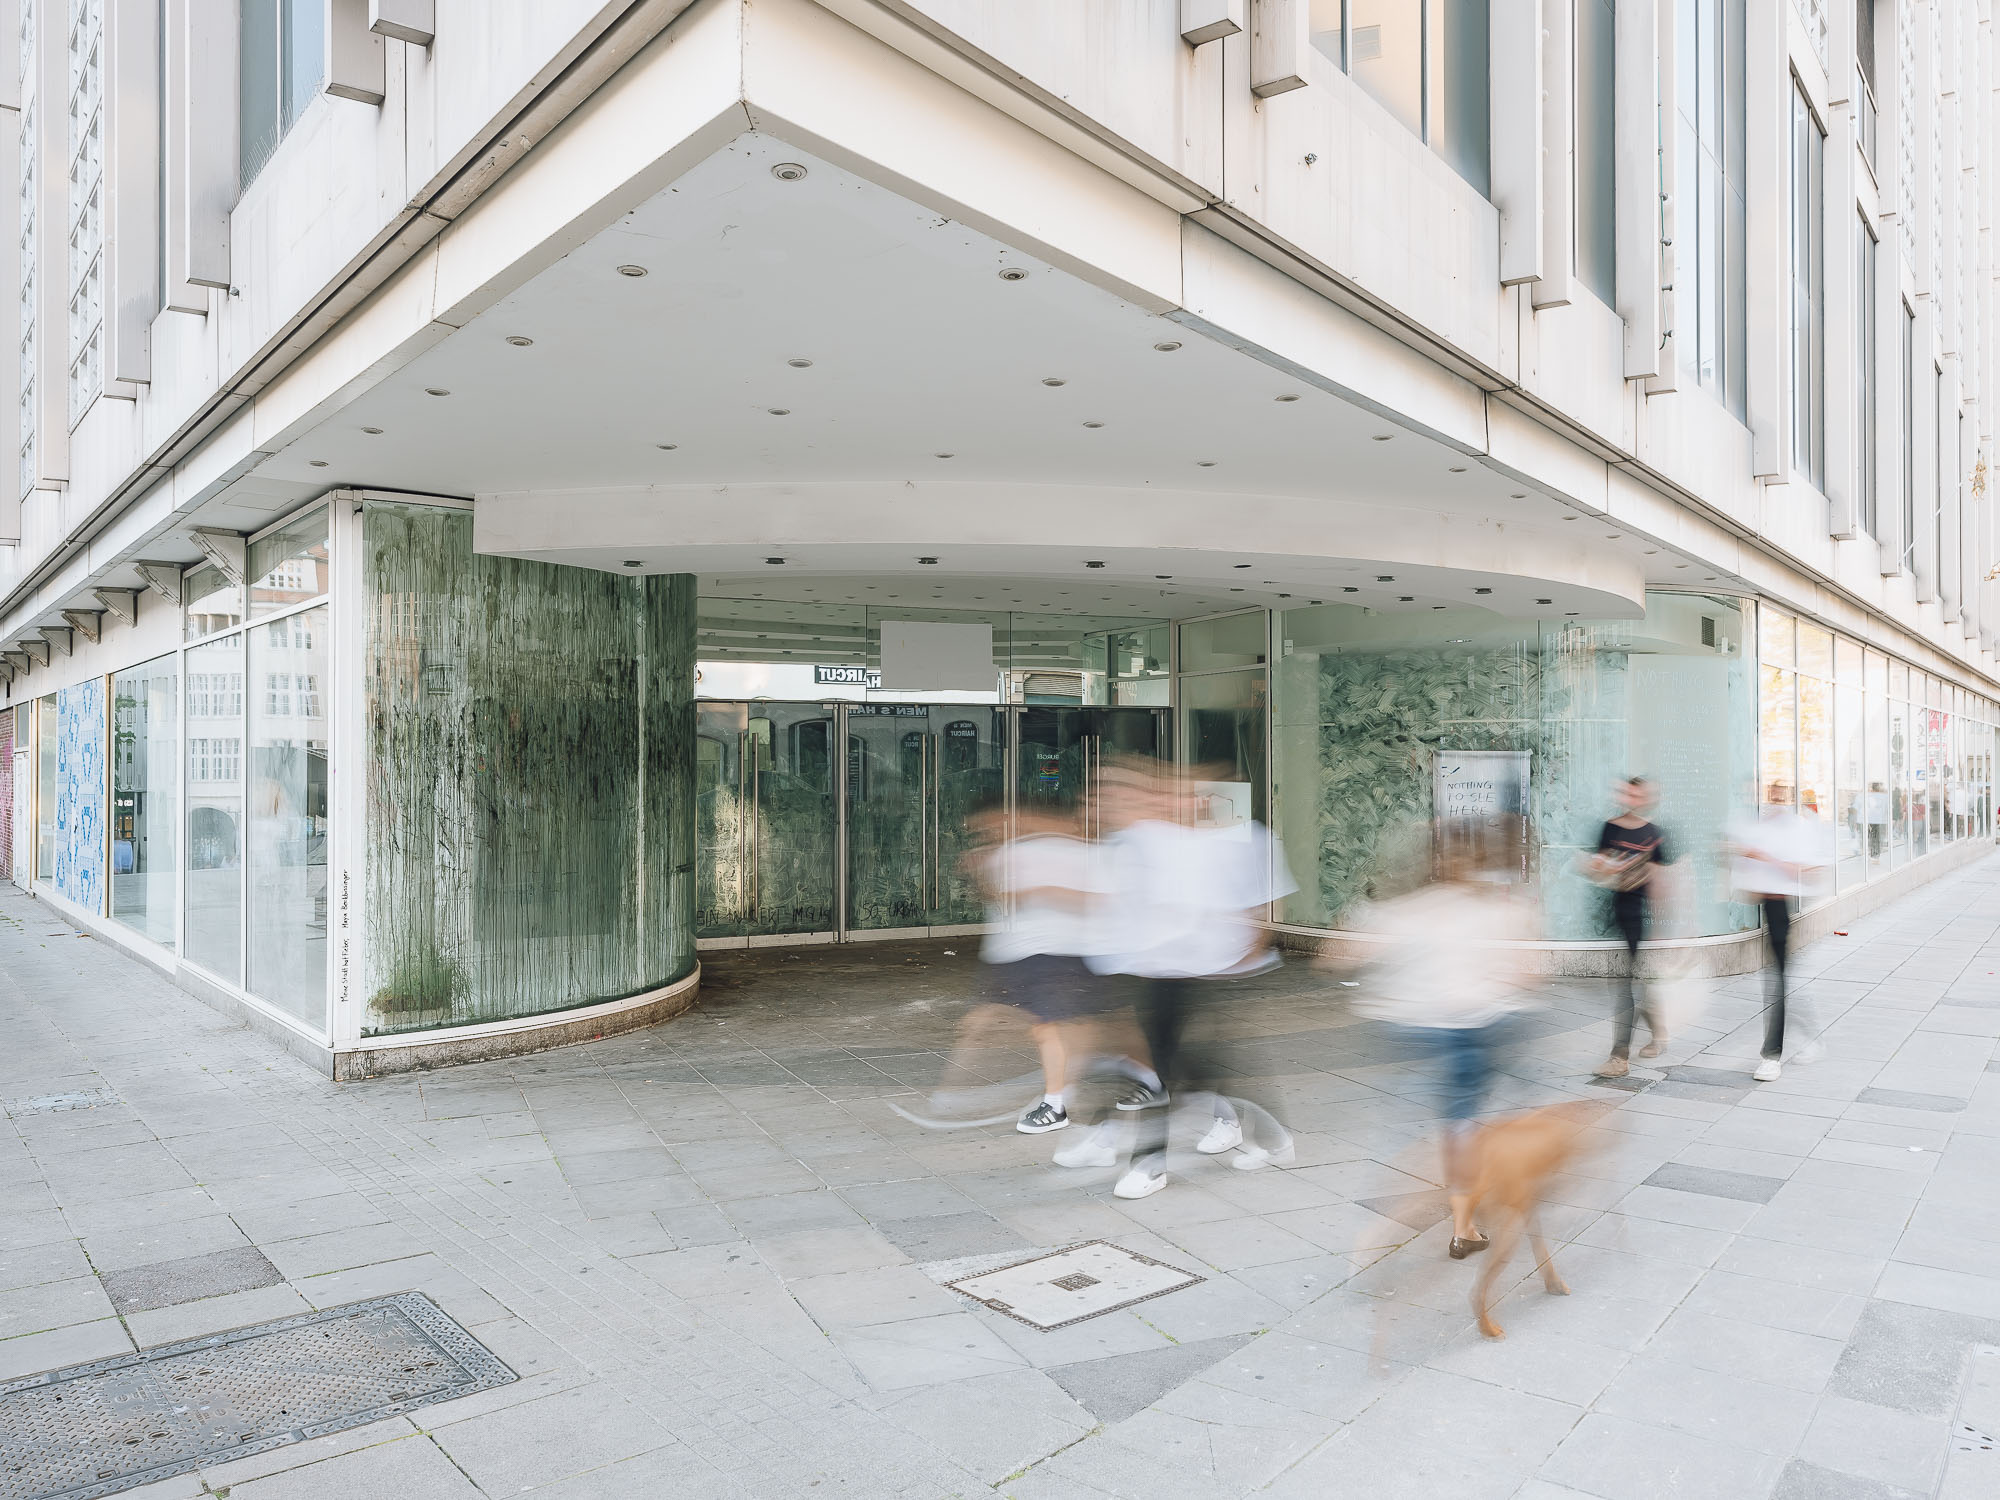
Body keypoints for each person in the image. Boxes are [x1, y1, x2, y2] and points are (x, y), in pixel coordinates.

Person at [1354, 817, 1538, 1259]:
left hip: (1419, 1034)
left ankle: (1440, 1215)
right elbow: (1526, 974)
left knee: (1444, 1123)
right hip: (1474, 1034)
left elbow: (1346, 953)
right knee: (1469, 1124)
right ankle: (1462, 1223)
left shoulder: (1416, 907)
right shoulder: (1497, 911)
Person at [967, 800, 1107, 1133]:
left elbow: (1098, 899)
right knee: (1057, 1026)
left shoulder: (1078, 852)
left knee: (1053, 1027)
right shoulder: (1014, 852)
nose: (991, 831)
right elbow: (1001, 898)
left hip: (1067, 952)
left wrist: (1041, 890)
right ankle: (1065, 1094)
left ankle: (1058, 1102)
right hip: (1037, 954)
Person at [1730, 781, 1829, 1082]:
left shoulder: (1800, 827)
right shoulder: (1757, 825)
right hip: (1764, 907)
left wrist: (1765, 858)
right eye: (1771, 790)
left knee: (1777, 981)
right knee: (1780, 980)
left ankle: (1771, 1056)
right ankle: (1811, 1036)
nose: (1774, 795)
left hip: (1786, 908)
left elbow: (1811, 873)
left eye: (1780, 790)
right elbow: (1742, 865)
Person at [1580, 776, 1673, 1078]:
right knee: (1634, 981)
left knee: (1624, 985)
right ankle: (1658, 1030)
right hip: (1615, 911)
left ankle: (1619, 1057)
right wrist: (1599, 866)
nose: (1630, 801)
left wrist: (1661, 927)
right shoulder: (1610, 828)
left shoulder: (1655, 834)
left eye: (1636, 796)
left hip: (1639, 916)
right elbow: (1596, 866)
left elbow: (1659, 881)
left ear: (1647, 799)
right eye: (1626, 795)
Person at [1865, 780, 1891, 859]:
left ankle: (1874, 854)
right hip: (1878, 820)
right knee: (1877, 837)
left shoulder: (1870, 796)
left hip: (1874, 819)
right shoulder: (1882, 796)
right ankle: (1875, 854)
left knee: (1874, 836)